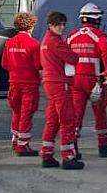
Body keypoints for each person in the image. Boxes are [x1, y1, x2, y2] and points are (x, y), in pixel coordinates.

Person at [67, 3, 107, 158]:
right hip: (94, 80)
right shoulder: (99, 36)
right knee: (100, 112)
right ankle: (103, 145)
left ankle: (72, 146)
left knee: (76, 114)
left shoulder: (72, 36)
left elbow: (65, 57)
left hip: (75, 80)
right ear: (97, 18)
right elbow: (106, 52)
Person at [39, 11, 84, 170]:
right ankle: (68, 157)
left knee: (52, 119)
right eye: (58, 24)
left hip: (50, 82)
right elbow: (73, 58)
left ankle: (47, 154)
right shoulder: (56, 42)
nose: (62, 27)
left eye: (63, 24)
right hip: (60, 83)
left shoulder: (45, 40)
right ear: (51, 25)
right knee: (67, 119)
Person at [2, 12, 42, 156]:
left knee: (16, 111)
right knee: (26, 113)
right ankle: (23, 145)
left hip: (13, 82)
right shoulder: (35, 44)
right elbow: (38, 65)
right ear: (31, 26)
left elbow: (4, 64)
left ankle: (15, 139)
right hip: (29, 83)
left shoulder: (9, 43)